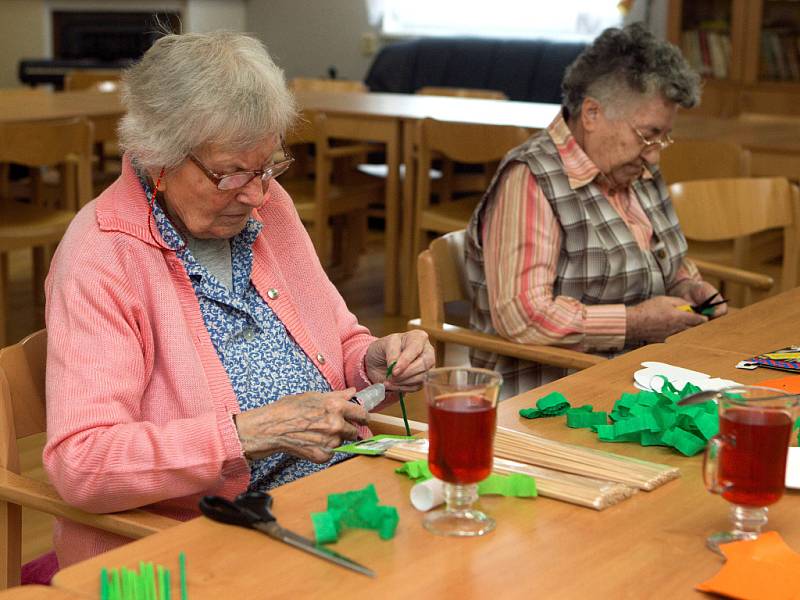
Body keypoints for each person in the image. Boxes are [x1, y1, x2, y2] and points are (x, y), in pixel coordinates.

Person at [43, 31, 434, 566]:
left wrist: (373, 362)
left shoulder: (267, 208)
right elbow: (83, 463)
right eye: (231, 174)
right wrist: (247, 434)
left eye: (268, 167)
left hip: (332, 498)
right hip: (206, 538)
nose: (256, 195)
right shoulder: (101, 257)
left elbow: (338, 342)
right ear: (160, 157)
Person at [465, 23, 726, 398]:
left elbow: (669, 259)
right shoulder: (531, 179)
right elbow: (524, 318)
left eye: (663, 136)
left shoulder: (637, 168)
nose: (655, 152)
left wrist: (689, 286)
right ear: (591, 113)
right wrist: (635, 323)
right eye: (648, 134)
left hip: (637, 376)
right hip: (549, 393)